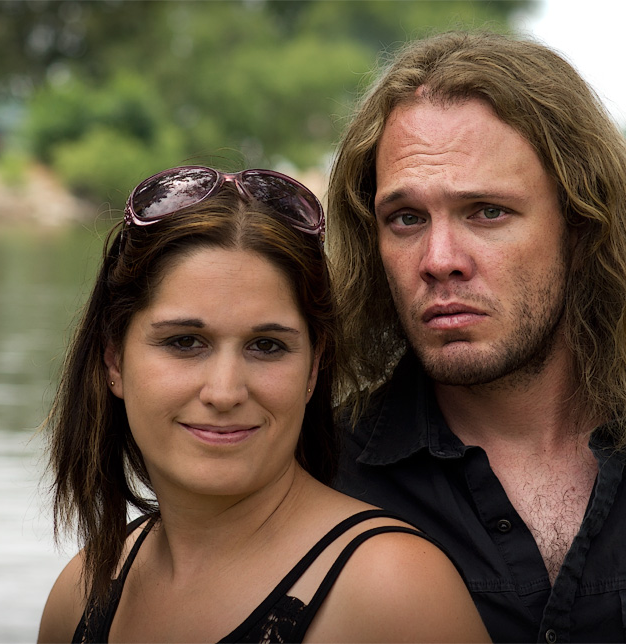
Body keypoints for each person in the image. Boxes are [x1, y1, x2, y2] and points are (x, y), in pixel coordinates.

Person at [326, 31, 626, 643]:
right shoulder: (325, 471)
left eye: (487, 211)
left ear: (582, 228)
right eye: (406, 218)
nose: (439, 259)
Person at [36, 166, 491, 643]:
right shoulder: (81, 593)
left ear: (313, 368)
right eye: (185, 341)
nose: (225, 392)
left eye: (266, 346)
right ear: (114, 359)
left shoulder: (394, 593)